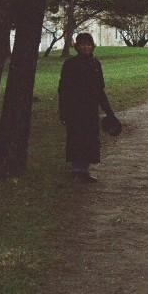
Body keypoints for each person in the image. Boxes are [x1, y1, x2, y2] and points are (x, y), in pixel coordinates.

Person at [58, 33, 117, 183]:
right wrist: (64, 112)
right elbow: (63, 90)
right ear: (77, 46)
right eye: (83, 44)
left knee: (90, 138)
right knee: (76, 137)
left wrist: (109, 112)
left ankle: (84, 170)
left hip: (91, 108)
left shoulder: (95, 64)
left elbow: (99, 90)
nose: (86, 47)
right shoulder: (70, 64)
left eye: (89, 44)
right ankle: (76, 170)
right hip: (75, 108)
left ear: (92, 46)